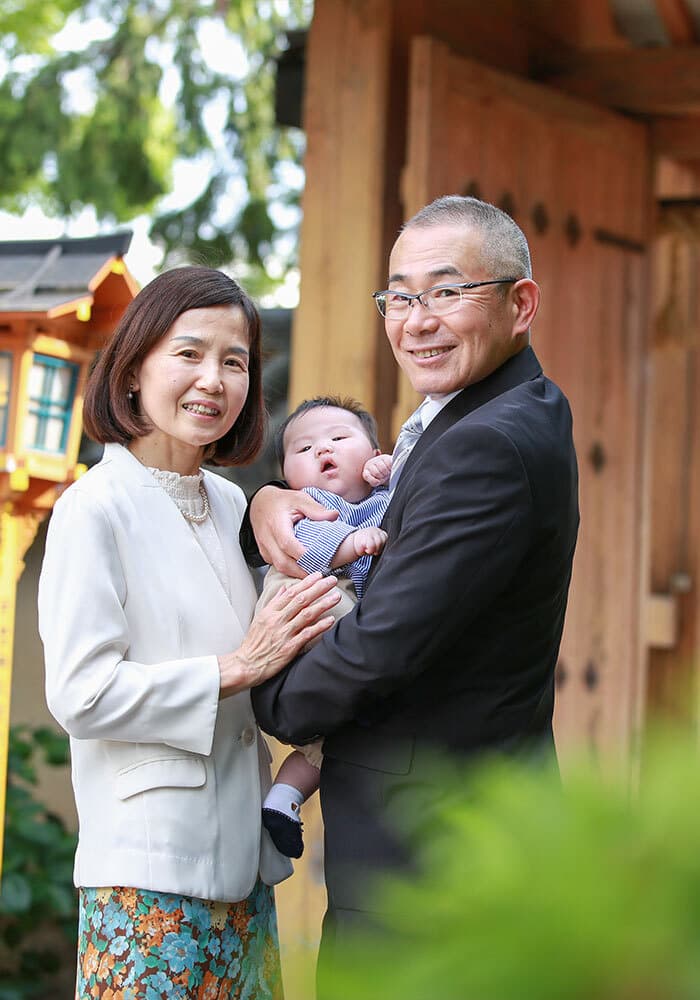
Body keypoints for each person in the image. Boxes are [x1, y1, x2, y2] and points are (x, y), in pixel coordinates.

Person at [246, 195, 580, 979]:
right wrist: (265, 502)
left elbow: (381, 645)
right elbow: (346, 512)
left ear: (518, 302)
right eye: (400, 296)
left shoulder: (488, 444)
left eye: (447, 291)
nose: (417, 319)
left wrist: (269, 693)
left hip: (435, 863)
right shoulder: (492, 413)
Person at [37, 266, 340, 1000]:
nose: (214, 379)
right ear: (134, 368)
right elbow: (80, 695)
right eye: (189, 354)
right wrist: (234, 667)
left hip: (245, 870)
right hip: (146, 877)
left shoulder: (234, 502)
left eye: (234, 362)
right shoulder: (94, 508)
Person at [257, 396, 392, 858]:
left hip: (342, 624)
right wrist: (350, 544)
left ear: (374, 455)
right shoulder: (308, 506)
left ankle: (283, 799)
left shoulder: (385, 496)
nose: (322, 451)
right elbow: (302, 551)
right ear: (286, 479)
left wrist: (391, 472)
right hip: (306, 597)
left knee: (327, 749)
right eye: (303, 449)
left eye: (339, 439)